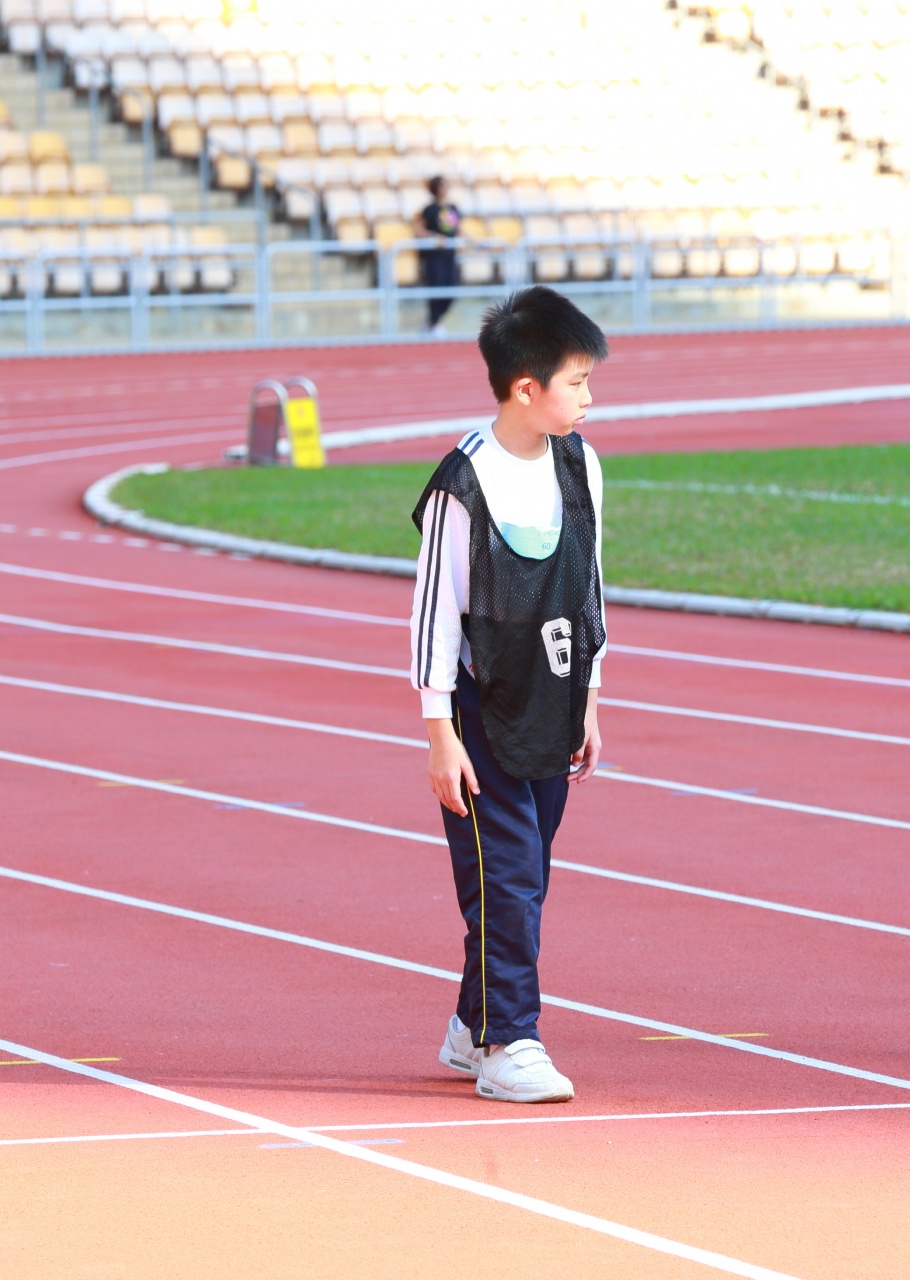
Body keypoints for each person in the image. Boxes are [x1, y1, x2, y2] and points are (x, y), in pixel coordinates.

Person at [409, 286, 609, 1103]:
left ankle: (471, 1025)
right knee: (510, 876)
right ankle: (507, 1044)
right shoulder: (465, 482)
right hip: (481, 710)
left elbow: (590, 585)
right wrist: (439, 733)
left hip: (552, 700)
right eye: (577, 381)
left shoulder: (580, 464)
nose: (590, 397)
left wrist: (589, 695)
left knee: (523, 877)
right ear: (526, 387)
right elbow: (433, 613)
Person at [414, 175, 462, 336]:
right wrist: (433, 237)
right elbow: (418, 229)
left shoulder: (453, 208)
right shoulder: (430, 209)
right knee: (437, 287)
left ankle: (431, 320)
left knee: (452, 291)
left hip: (450, 255)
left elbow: (458, 228)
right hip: (434, 257)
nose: (445, 188)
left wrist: (475, 242)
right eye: (442, 185)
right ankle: (435, 322)